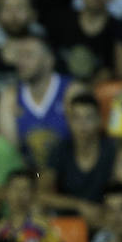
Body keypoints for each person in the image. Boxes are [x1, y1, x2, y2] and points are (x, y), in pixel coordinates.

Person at [0, 34, 72, 168]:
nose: (21, 61)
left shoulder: (70, 91)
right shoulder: (9, 96)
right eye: (19, 55)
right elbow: (11, 154)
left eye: (28, 55)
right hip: (29, 176)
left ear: (49, 60)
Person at [39, 92, 115, 224]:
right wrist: (79, 205)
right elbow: (42, 194)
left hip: (106, 217)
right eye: (76, 118)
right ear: (69, 121)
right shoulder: (60, 150)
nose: (82, 124)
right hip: (68, 220)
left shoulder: (111, 150)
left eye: (88, 118)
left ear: (99, 120)